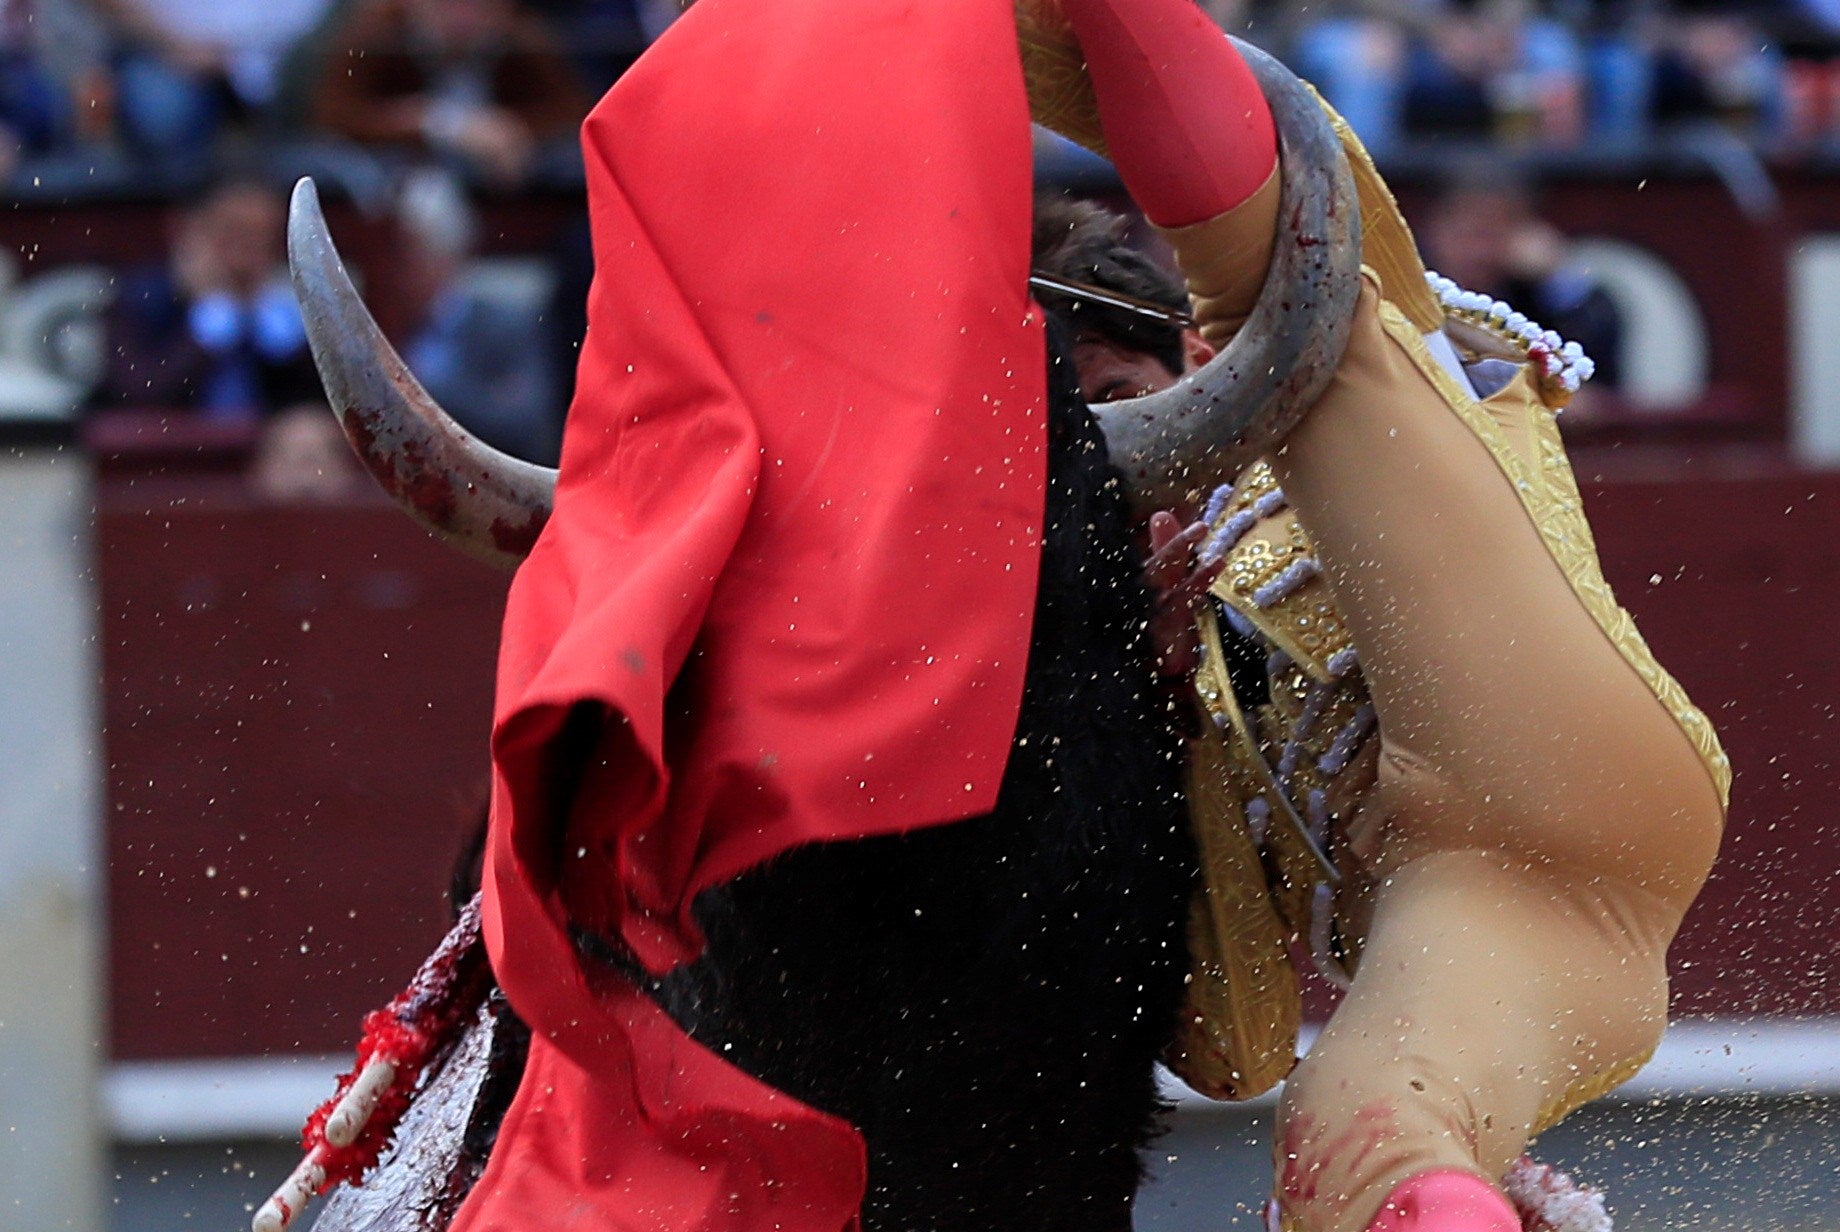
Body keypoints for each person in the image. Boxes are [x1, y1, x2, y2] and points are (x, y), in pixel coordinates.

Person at [1028, 1, 1727, 1227]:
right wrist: (1139, 700)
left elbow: (1311, 229)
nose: (1127, 473)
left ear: (1191, 366)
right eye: (1076, 448)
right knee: (1353, 1143)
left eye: (1125, 402)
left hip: (1543, 737)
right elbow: (1233, 1046)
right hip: (1492, 914)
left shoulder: (1289, 395)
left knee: (1298, 304)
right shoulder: (1108, 665)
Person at [93, 175, 322, 417]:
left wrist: (290, 346)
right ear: (189, 231)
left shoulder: (291, 310)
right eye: (235, 235)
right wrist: (208, 324)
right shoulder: (140, 300)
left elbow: (324, 409)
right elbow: (134, 401)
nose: (246, 257)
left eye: (264, 239)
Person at [310, 0, 589, 186]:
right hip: (400, 181)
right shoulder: (378, 34)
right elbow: (334, 116)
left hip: (502, 186)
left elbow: (570, 112)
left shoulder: (522, 40)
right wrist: (434, 123)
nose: (462, 17)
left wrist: (511, 129)